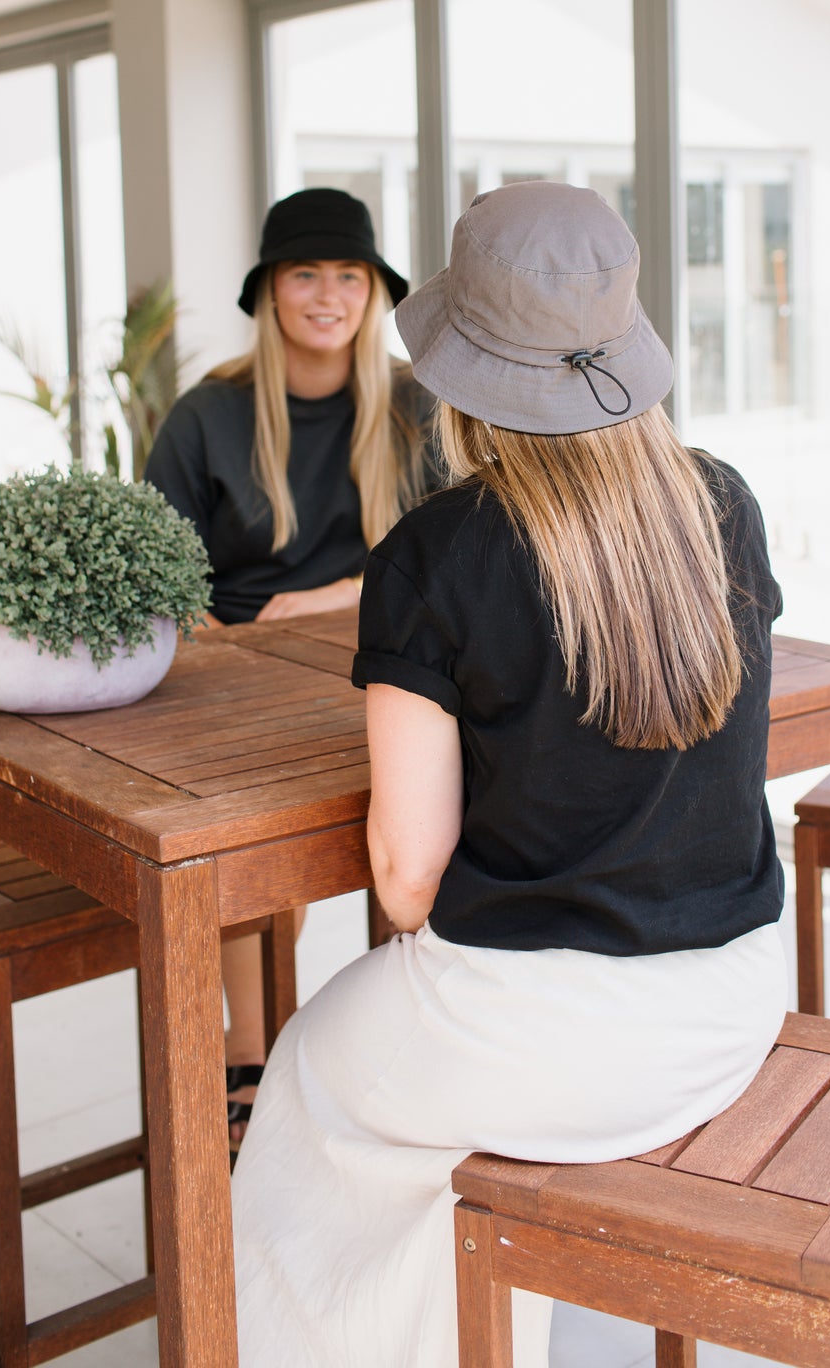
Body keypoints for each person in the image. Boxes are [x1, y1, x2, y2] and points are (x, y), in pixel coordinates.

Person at [232, 180, 787, 1368]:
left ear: (461, 374)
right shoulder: (723, 505)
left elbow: (406, 876)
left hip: (545, 1041)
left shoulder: (434, 555)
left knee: (299, 1089)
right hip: (732, 1009)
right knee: (431, 1101)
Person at [144, 187, 432, 1156]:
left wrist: (323, 600)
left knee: (422, 821)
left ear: (372, 292)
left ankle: (398, 1050)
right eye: (305, 273)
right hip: (232, 684)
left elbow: (448, 558)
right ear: (271, 290)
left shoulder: (415, 407)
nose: (327, 294)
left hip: (381, 666)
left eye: (348, 275)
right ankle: (249, 1066)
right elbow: (158, 575)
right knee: (252, 855)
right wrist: (214, 647)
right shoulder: (209, 416)